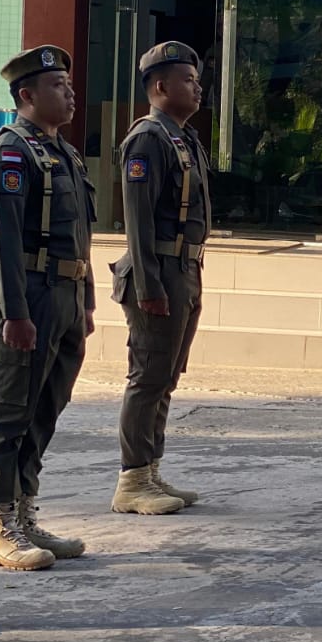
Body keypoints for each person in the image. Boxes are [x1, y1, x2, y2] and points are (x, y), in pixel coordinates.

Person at [0, 46, 96, 570]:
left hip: (65, 295)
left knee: (45, 409)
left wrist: (86, 301)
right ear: (26, 95)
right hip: (29, 294)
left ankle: (24, 511)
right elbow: (4, 241)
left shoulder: (63, 152)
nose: (69, 93)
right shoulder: (12, 151)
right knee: (9, 412)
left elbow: (80, 234)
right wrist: (14, 313)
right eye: (56, 86)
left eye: (68, 84)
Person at [109, 41, 211, 514]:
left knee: (166, 377)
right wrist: (149, 286)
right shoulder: (148, 139)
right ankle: (131, 480)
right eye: (187, 80)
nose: (197, 88)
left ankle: (150, 469)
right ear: (160, 87)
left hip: (185, 268)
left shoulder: (183, 138)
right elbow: (138, 219)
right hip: (159, 270)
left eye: (196, 79)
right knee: (148, 376)